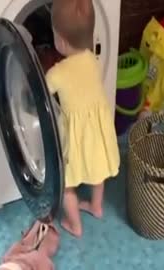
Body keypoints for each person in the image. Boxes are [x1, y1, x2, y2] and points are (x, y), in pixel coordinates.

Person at [46, 0, 120, 238]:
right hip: (98, 130)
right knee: (97, 168)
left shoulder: (57, 72)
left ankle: (74, 225)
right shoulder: (92, 59)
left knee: (67, 184)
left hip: (76, 137)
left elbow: (41, 91)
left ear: (61, 41)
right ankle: (96, 207)